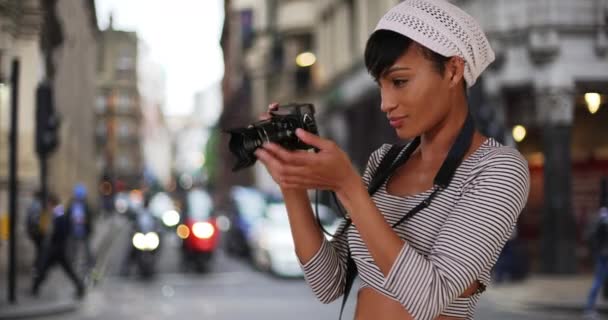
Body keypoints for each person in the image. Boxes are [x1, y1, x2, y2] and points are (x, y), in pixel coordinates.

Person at [253, 1, 530, 319]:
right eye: (381, 85)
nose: (386, 103)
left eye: (399, 82)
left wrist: (349, 187)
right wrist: (292, 181)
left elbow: (429, 296)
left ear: (453, 71)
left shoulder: (497, 169)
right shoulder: (385, 164)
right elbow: (327, 283)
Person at [31, 192, 86, 298]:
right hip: (58, 248)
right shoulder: (58, 213)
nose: (47, 206)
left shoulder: (59, 213)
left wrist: (54, 240)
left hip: (57, 248)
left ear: (52, 203)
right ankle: (35, 287)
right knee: (50, 268)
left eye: (48, 203)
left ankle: (35, 287)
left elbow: (61, 230)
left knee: (46, 267)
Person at [66, 183, 95, 268]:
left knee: (86, 248)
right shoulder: (72, 204)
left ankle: (90, 262)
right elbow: (67, 215)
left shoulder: (86, 205)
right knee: (73, 248)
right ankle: (72, 262)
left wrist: (86, 221)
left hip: (84, 229)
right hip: (73, 229)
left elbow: (90, 216)